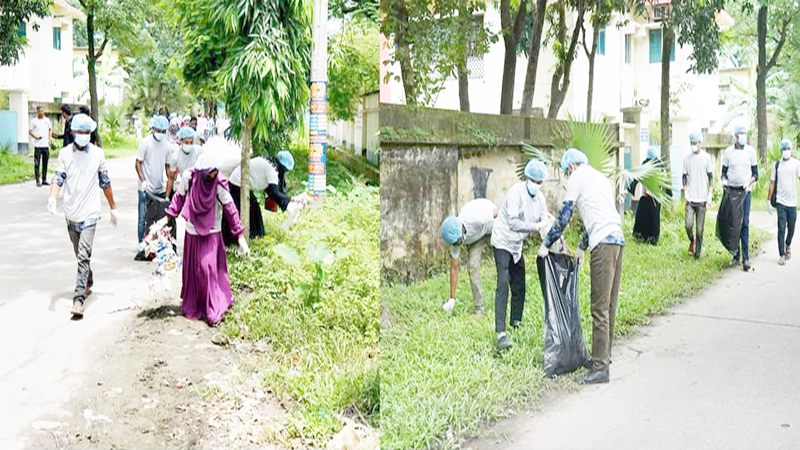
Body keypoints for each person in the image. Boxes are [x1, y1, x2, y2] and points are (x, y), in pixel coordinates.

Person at [539, 149, 624, 385]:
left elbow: (564, 215)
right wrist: (582, 247)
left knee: (599, 308)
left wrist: (547, 243)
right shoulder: (598, 178)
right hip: (617, 240)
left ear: (572, 166)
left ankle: (599, 369)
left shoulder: (577, 177)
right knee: (609, 305)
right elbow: (601, 215)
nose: (567, 175)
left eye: (566, 171)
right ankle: (602, 357)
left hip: (604, 244)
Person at [152, 151, 250, 326]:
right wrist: (166, 219)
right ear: (201, 171)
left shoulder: (219, 182)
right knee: (194, 271)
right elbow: (179, 198)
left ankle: (214, 307)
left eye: (215, 171)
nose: (213, 175)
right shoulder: (189, 177)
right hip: (193, 231)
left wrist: (240, 237)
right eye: (210, 172)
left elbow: (230, 208)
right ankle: (196, 305)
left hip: (212, 231)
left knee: (208, 269)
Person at [47, 113, 118, 318]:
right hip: (71, 213)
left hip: (90, 213)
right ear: (72, 132)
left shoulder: (97, 154)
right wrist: (53, 197)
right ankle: (88, 279)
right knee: (80, 255)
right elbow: (58, 177)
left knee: (83, 255)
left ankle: (78, 299)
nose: (84, 135)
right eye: (80, 132)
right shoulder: (64, 154)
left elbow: (105, 182)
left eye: (87, 132)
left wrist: (113, 207)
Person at [491, 159, 549, 351]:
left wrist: (550, 230)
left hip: (517, 245)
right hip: (502, 241)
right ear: (527, 178)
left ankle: (516, 323)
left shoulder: (540, 199)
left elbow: (544, 220)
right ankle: (501, 333)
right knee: (503, 283)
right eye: (534, 181)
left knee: (520, 285)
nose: (537, 185)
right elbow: (514, 223)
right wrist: (536, 226)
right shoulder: (516, 193)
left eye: (540, 182)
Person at [223, 151, 297, 244]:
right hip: (237, 184)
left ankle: (255, 236)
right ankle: (235, 241)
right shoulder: (272, 170)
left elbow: (270, 190)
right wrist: (289, 200)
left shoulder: (268, 162)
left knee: (254, 211)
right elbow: (274, 192)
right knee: (238, 214)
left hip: (240, 182)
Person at [440, 199, 499, 317]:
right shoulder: (455, 237)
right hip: (478, 236)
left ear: (461, 231)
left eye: (458, 242)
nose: (457, 245)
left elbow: (497, 212)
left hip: (494, 226)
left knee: (503, 262)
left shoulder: (476, 218)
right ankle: (479, 309)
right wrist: (452, 298)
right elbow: (454, 267)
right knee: (472, 265)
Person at [134, 115, 174, 258]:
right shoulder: (145, 143)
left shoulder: (167, 146)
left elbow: (168, 170)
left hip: (158, 188)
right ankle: (141, 245)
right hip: (145, 188)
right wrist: (143, 180)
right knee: (142, 218)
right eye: (159, 130)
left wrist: (168, 193)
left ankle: (154, 244)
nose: (161, 133)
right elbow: (138, 163)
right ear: (153, 129)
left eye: (164, 131)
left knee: (156, 220)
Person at [721, 125, 758, 271]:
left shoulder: (751, 151)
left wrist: (748, 182)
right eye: (740, 133)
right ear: (735, 136)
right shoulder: (728, 152)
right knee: (733, 223)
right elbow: (723, 172)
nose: (743, 136)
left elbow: (755, 174)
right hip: (732, 192)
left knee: (745, 223)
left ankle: (746, 258)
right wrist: (724, 181)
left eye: (745, 133)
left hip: (745, 192)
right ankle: (735, 255)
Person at [768, 139, 800, 265]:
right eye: (784, 149)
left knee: (791, 228)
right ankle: (781, 254)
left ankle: (788, 244)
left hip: (792, 202)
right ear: (781, 151)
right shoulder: (776, 165)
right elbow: (772, 183)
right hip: (781, 201)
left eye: (788, 149)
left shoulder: (796, 164)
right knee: (781, 228)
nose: (786, 151)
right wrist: (768, 200)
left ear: (791, 150)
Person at [683, 132, 714, 259]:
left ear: (700, 143)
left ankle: (697, 254)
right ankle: (692, 240)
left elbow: (711, 177)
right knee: (688, 225)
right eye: (691, 143)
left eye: (695, 143)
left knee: (700, 230)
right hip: (690, 199)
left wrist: (710, 192)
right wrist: (685, 191)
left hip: (702, 199)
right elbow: (684, 176)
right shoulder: (686, 159)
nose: (693, 145)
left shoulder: (706, 158)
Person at [627, 146, 666, 244]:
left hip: (655, 196)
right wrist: (630, 189)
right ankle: (642, 236)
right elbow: (637, 178)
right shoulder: (646, 164)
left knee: (653, 218)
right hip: (646, 195)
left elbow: (664, 181)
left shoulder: (660, 166)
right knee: (644, 216)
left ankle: (651, 238)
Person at [29, 105, 52, 187]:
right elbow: (30, 131)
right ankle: (37, 180)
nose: (41, 112)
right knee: (37, 163)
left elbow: (50, 130)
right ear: (37, 111)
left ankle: (44, 179)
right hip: (38, 145)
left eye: (42, 110)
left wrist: (51, 138)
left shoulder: (47, 120)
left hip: (45, 144)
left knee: (45, 163)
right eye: (39, 111)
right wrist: (35, 136)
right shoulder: (34, 121)